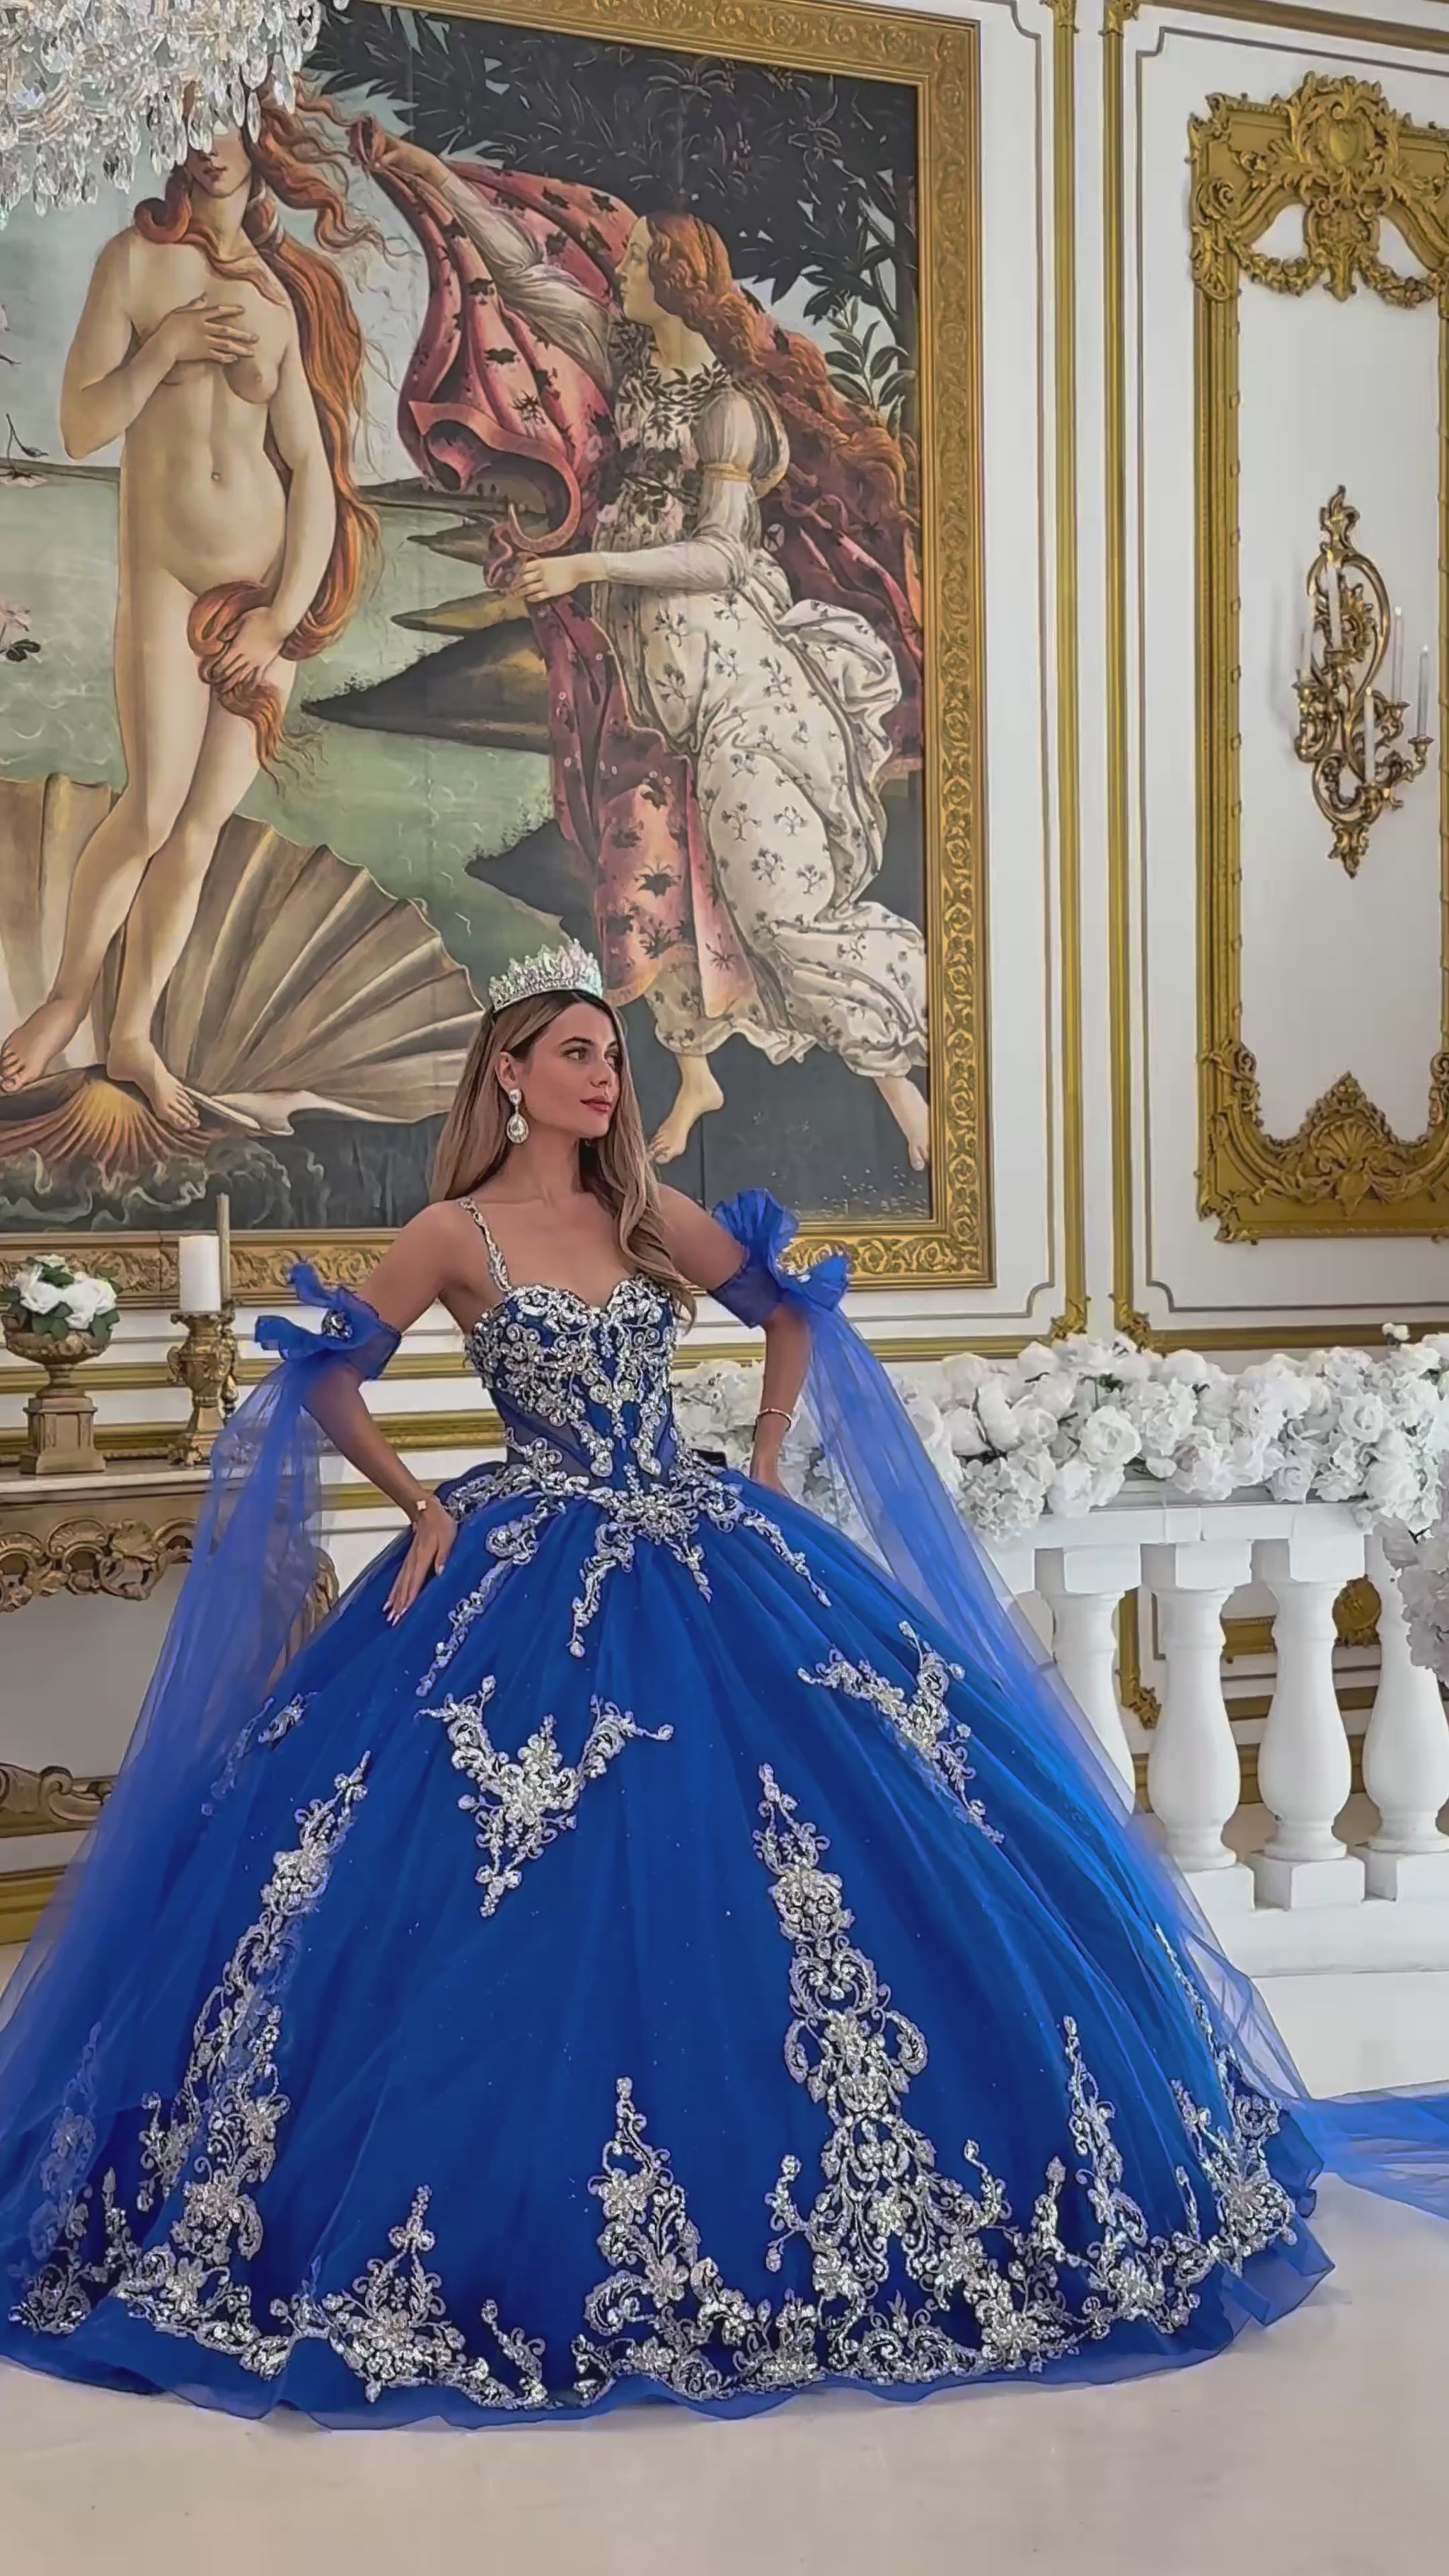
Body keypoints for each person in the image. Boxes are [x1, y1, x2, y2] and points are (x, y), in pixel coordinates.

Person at [2, 939, 1448, 2429]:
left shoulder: (644, 1212)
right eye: (574, 1050)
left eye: (612, 1054)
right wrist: (425, 1504)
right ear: (507, 1072)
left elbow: (789, 1305)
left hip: (701, 1537)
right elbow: (322, 1372)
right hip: (528, 1555)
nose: (601, 1072)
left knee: (875, 1829)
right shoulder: (450, 1231)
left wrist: (760, 1459)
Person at [354, 123, 931, 1172]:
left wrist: (585, 571)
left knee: (777, 904)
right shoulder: (628, 364)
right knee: (639, 874)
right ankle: (698, 1073)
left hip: (737, 691)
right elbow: (525, 278)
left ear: (673, 276)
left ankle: (906, 1093)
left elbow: (716, 555)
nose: (612, 267)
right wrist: (435, 181)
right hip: (650, 684)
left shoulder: (731, 412)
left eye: (629, 261)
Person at [0, 101, 378, 1132]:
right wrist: (165, 344)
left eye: (227, 122)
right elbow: (81, 427)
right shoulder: (134, 263)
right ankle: (68, 1001)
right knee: (151, 809)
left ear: (261, 139)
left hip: (259, 596)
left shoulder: (276, 295)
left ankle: (135, 1034)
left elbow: (307, 472)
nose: (208, 144)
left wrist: (284, 617)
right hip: (166, 582)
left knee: (203, 829)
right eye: (189, 120)